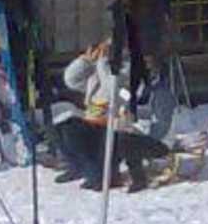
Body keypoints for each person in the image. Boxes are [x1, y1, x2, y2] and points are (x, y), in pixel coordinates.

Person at [51, 38, 170, 192]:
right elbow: (71, 80)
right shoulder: (98, 78)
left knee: (76, 133)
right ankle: (78, 167)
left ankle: (101, 174)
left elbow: (112, 92)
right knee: (61, 127)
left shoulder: (129, 81)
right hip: (95, 128)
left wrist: (103, 63)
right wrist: (85, 60)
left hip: (115, 133)